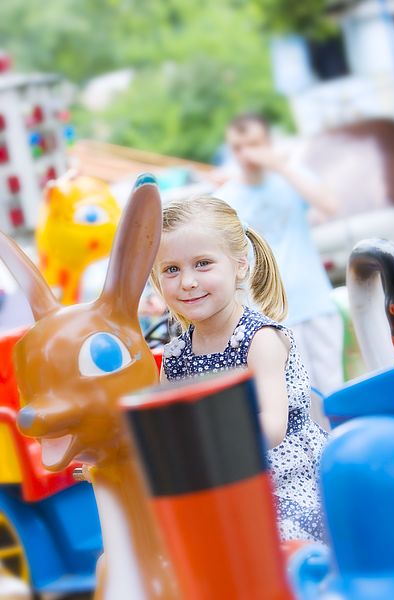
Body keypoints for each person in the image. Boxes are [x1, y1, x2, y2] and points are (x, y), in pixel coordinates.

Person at [151, 196, 328, 542]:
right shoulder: (175, 355)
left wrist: (202, 444)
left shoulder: (258, 339)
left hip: (285, 477)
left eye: (202, 264)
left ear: (240, 266)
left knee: (273, 538)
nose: (187, 281)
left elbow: (273, 428)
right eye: (171, 269)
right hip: (217, 481)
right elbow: (167, 425)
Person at [215, 113, 344, 427]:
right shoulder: (225, 200)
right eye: (238, 147)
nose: (247, 154)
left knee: (333, 390)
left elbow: (329, 206)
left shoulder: (290, 178)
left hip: (316, 303)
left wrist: (281, 165)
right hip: (271, 314)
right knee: (297, 399)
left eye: (254, 144)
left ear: (268, 144)